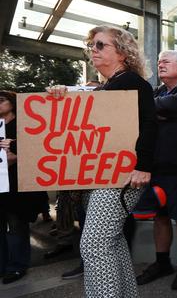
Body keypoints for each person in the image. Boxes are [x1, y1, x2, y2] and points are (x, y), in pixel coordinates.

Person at [48, 25, 157, 297]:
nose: (92, 50)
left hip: (123, 176)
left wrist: (143, 166)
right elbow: (88, 99)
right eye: (91, 45)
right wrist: (64, 92)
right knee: (113, 241)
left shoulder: (132, 82)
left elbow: (149, 125)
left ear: (122, 52)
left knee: (95, 244)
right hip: (104, 175)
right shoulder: (110, 86)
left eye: (100, 45)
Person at [135, 50, 177, 290]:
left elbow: (158, 108)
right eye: (159, 61)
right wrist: (159, 111)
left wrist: (154, 110)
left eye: (166, 61)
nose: (160, 64)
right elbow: (148, 114)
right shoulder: (158, 92)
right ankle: (162, 262)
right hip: (155, 168)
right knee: (160, 217)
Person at [0, 91, 49, 284]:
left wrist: (16, 158)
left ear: (12, 103)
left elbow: (38, 150)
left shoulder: (26, 126)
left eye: (1, 100)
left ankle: (17, 266)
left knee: (16, 225)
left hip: (17, 186)